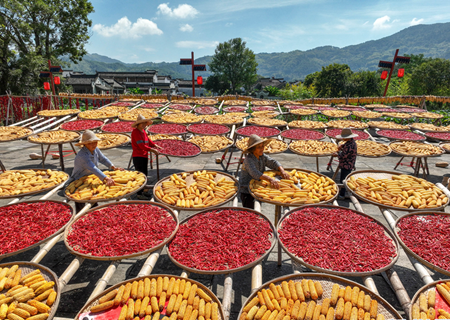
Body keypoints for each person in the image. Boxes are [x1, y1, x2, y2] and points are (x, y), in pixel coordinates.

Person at [71, 130, 122, 212]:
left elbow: (103, 158)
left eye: (95, 142)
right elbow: (93, 168)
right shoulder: (82, 155)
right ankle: (80, 217)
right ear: (85, 144)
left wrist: (113, 167)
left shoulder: (95, 149)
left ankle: (94, 214)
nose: (94, 144)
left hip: (90, 178)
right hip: (79, 180)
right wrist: (106, 178)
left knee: (93, 197)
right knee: (80, 201)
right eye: (90, 143)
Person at [239, 134, 290, 209]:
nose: (262, 149)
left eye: (262, 146)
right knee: (250, 211)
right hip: (247, 190)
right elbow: (255, 173)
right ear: (253, 149)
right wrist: (270, 179)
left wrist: (282, 171)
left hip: (258, 186)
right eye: (259, 147)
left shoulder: (262, 156)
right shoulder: (248, 159)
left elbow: (273, 162)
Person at [131, 114, 161, 200]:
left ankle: (144, 190)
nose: (144, 125)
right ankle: (139, 194)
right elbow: (141, 146)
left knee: (145, 174)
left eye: (145, 123)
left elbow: (148, 140)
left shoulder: (143, 131)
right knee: (140, 175)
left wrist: (155, 145)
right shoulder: (135, 132)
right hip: (138, 156)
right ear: (138, 124)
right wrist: (152, 150)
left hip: (144, 155)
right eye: (142, 123)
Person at [333, 128, 358, 199]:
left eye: (344, 137)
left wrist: (336, 155)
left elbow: (344, 156)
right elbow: (346, 146)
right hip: (348, 163)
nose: (343, 138)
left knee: (343, 180)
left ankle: (342, 195)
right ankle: (342, 192)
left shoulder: (350, 145)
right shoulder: (350, 142)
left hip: (347, 164)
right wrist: (342, 146)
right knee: (343, 178)